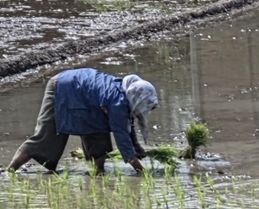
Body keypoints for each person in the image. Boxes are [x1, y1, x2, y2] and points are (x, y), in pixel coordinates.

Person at [8, 68, 157, 174]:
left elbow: (127, 124)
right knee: (47, 137)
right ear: (137, 98)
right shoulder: (117, 103)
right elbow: (121, 135)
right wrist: (140, 170)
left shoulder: (125, 94)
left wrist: (136, 147)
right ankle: (10, 170)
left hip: (85, 98)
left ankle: (98, 173)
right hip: (62, 88)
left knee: (98, 133)